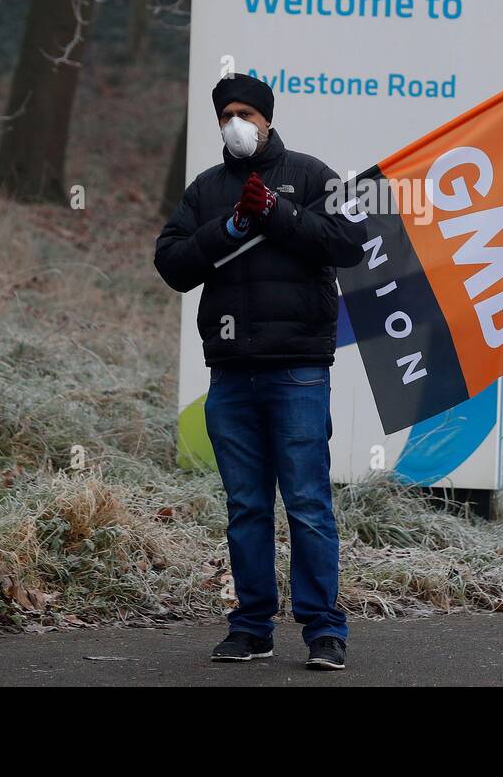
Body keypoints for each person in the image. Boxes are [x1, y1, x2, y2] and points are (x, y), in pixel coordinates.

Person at [153, 72, 365, 671]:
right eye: (225, 115)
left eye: (246, 112)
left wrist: (275, 212)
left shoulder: (309, 174)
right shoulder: (206, 190)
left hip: (298, 371)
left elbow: (347, 242)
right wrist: (229, 228)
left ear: (268, 118)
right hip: (231, 375)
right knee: (246, 507)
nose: (235, 124)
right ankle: (250, 627)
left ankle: (325, 630)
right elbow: (171, 263)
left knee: (307, 503)